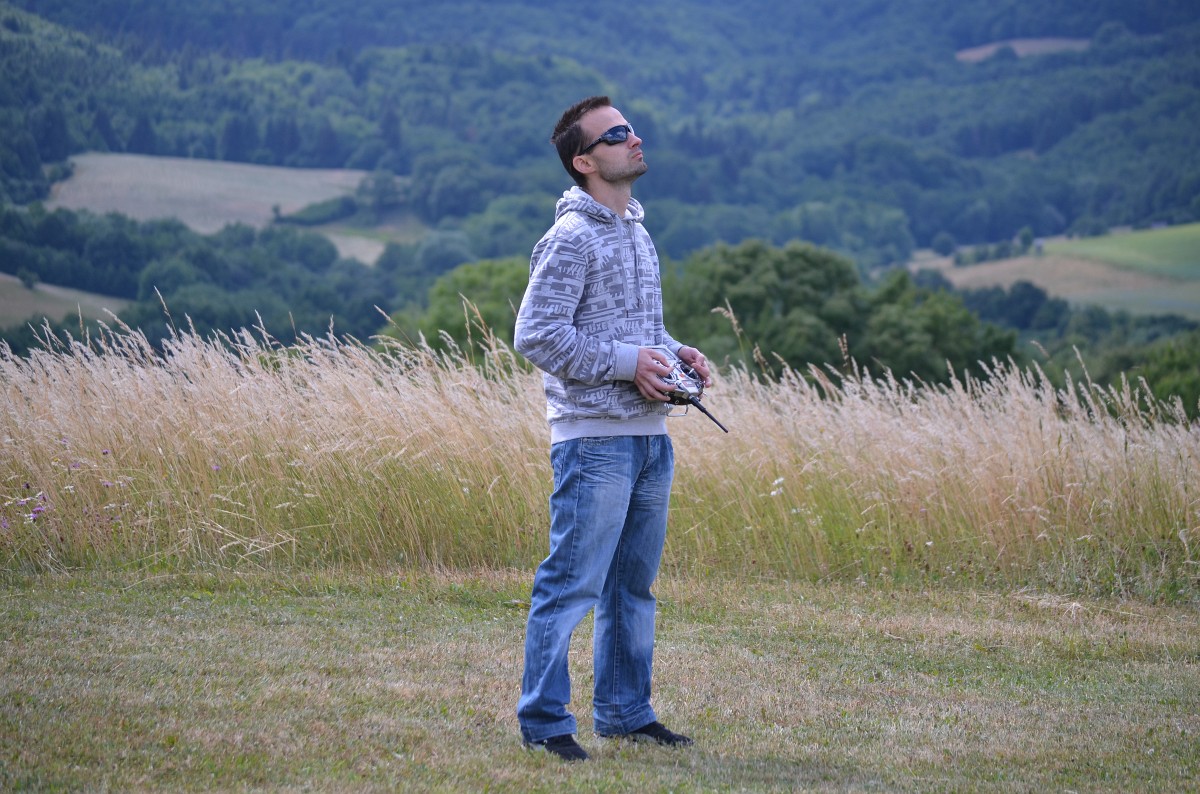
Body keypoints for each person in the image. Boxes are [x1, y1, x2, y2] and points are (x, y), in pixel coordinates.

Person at [514, 95, 712, 762]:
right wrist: (630, 363)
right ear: (584, 161)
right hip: (592, 440)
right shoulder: (570, 237)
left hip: (651, 437)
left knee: (631, 587)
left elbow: (638, 331)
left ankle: (626, 713)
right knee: (571, 585)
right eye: (616, 134)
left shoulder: (637, 231)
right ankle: (545, 723)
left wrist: (676, 353)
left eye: (630, 128)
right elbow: (536, 334)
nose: (634, 138)